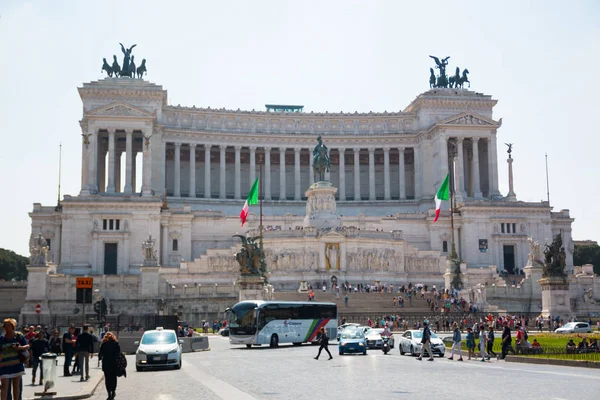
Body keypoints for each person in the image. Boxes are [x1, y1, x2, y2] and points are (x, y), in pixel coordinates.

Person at [0, 318, 29, 400]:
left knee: (16, 387)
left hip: (16, 364)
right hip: (4, 366)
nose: (6, 327)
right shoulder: (2, 339)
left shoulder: (19, 336)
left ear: (13, 326)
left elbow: (27, 346)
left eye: (8, 325)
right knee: (4, 387)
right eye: (5, 326)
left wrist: (19, 348)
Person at [99, 332, 121, 400]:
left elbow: (100, 354)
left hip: (106, 364)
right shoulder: (115, 343)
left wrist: (100, 358)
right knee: (113, 378)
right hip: (114, 363)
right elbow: (119, 353)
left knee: (107, 379)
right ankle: (113, 391)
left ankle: (109, 394)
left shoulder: (104, 344)